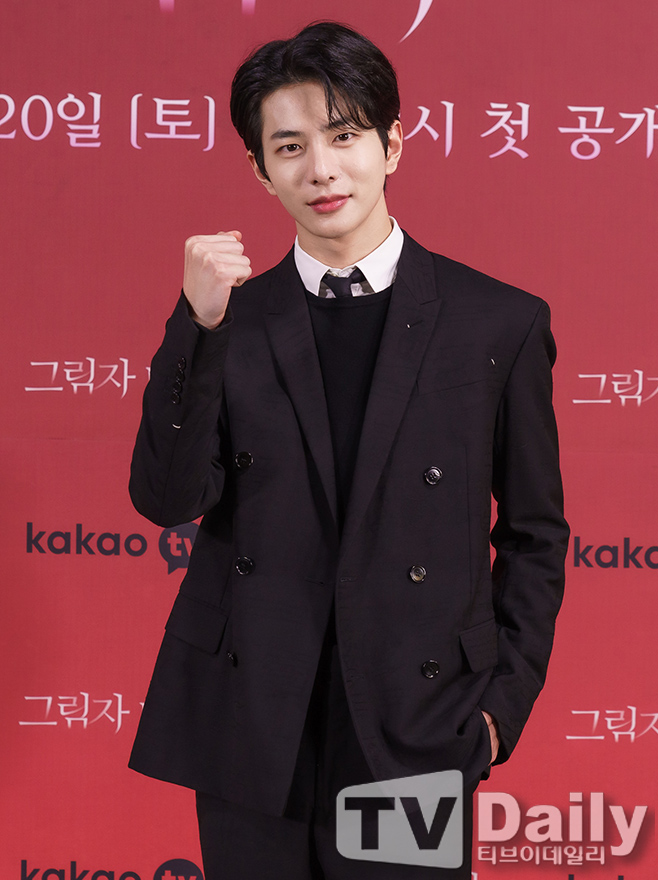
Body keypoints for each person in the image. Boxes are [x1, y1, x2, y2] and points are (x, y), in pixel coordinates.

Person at [128, 20, 569, 880]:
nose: (321, 170)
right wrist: (197, 327)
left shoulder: (496, 323)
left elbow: (534, 534)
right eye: (289, 147)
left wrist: (499, 709)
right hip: (255, 720)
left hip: (417, 720)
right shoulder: (230, 318)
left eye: (343, 135)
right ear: (260, 169)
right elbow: (166, 498)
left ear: (392, 144)